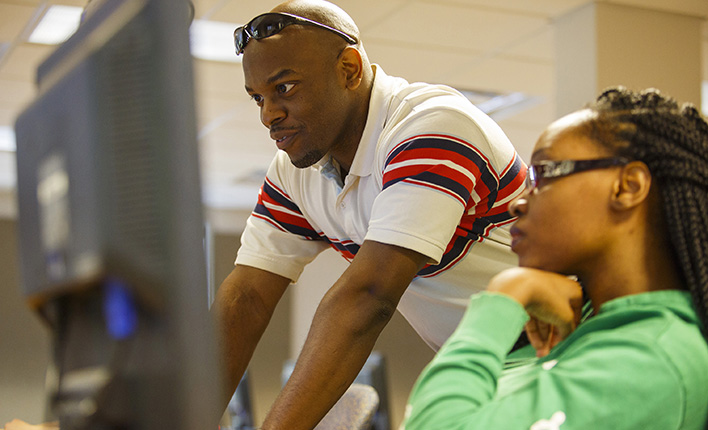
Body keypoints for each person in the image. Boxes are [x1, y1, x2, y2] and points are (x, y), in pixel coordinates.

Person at [214, 0, 527, 428]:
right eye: (258, 99)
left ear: (349, 69)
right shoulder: (295, 172)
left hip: (570, 347)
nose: (269, 114)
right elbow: (245, 298)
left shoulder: (431, 125)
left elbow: (368, 297)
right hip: (484, 367)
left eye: (284, 88)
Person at [402, 87, 708, 429]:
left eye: (544, 174)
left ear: (628, 186)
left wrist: (506, 294)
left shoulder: (651, 358)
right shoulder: (573, 330)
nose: (520, 202)